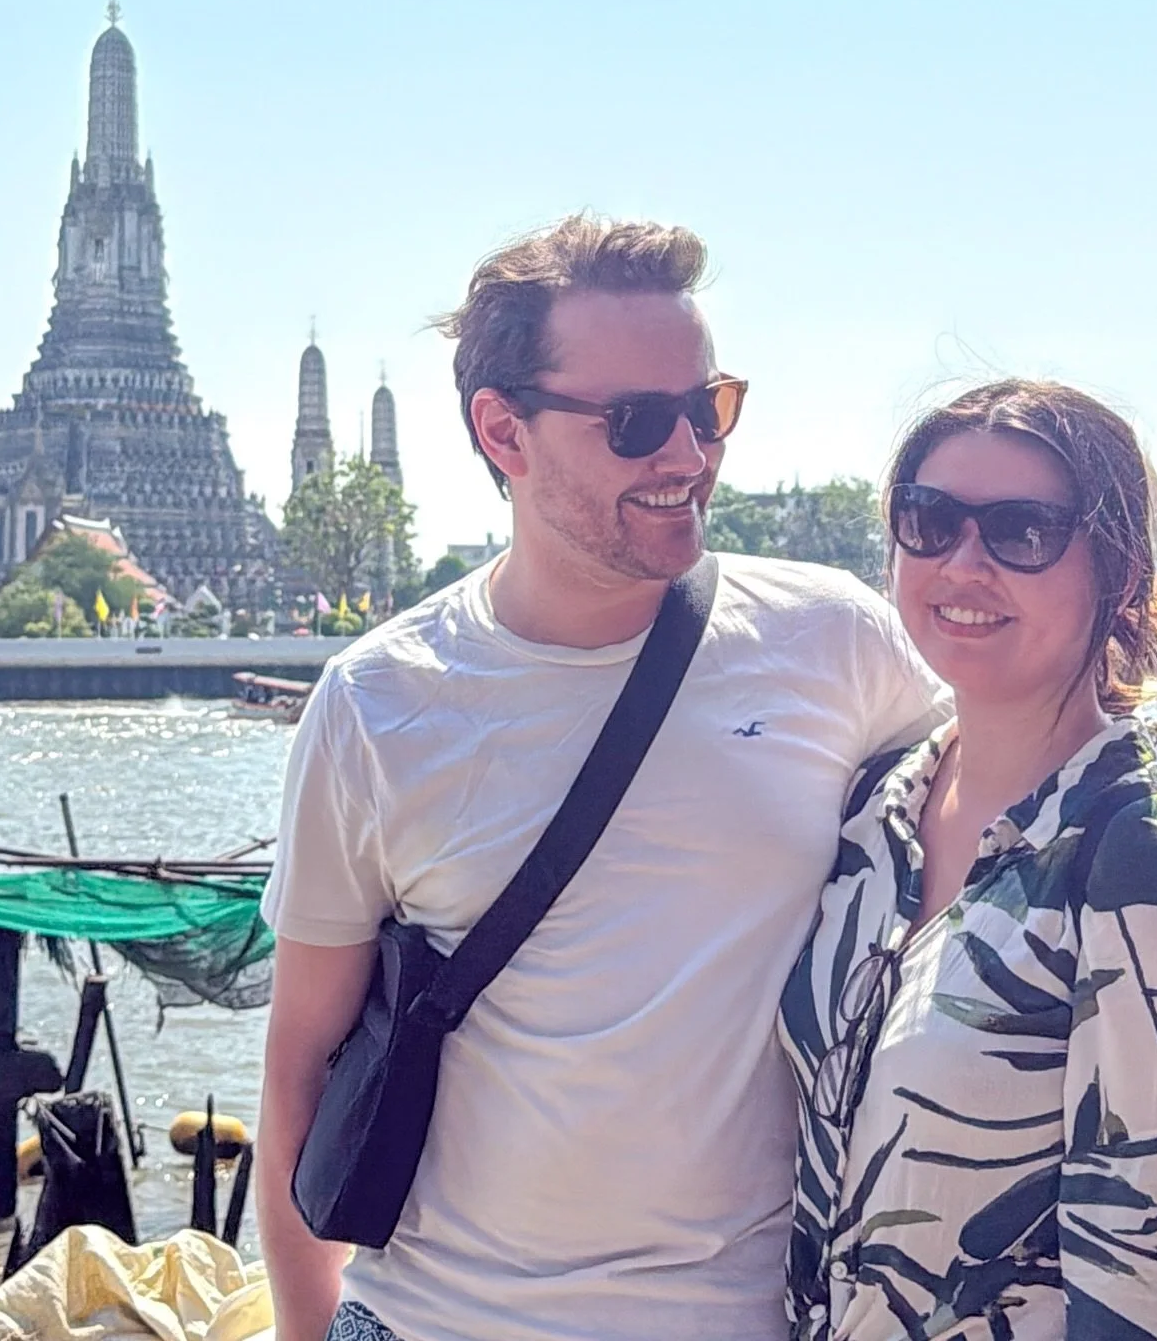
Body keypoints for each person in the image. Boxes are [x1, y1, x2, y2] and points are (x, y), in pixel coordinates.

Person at [255, 214, 943, 1341]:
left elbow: (1005, 824)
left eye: (707, 408)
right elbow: (302, 1060)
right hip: (436, 1317)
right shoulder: (379, 704)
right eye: (636, 423)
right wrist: (299, 1326)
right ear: (504, 432)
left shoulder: (836, 642)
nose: (689, 456)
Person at [779, 379, 1157, 1340]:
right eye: (929, 520)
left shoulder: (1142, 859)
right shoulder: (874, 816)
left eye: (1021, 531)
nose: (963, 563)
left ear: (1119, 574)